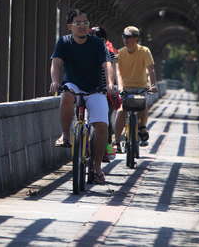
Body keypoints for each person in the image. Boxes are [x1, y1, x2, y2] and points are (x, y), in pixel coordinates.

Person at [50, 9, 115, 184]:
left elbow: (107, 64)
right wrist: (55, 81)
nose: (82, 26)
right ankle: (65, 135)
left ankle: (96, 168)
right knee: (65, 96)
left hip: (95, 89)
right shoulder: (63, 42)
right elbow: (56, 64)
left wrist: (110, 83)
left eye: (85, 22)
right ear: (70, 26)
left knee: (102, 126)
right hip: (73, 85)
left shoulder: (97, 43)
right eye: (78, 23)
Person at [114, 25, 157, 150]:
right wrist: (120, 87)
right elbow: (117, 72)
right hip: (125, 88)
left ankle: (142, 127)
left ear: (136, 39)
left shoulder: (144, 51)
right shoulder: (120, 53)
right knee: (121, 111)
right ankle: (116, 141)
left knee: (143, 104)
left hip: (141, 87)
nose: (126, 39)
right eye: (124, 37)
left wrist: (153, 85)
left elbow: (151, 69)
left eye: (129, 37)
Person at [90, 26, 121, 161]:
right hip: (86, 89)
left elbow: (114, 69)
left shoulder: (109, 53)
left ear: (105, 40)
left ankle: (106, 150)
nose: (97, 41)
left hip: (103, 91)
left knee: (105, 121)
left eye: (100, 39)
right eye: (94, 38)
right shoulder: (84, 50)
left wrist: (113, 86)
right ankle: (81, 145)